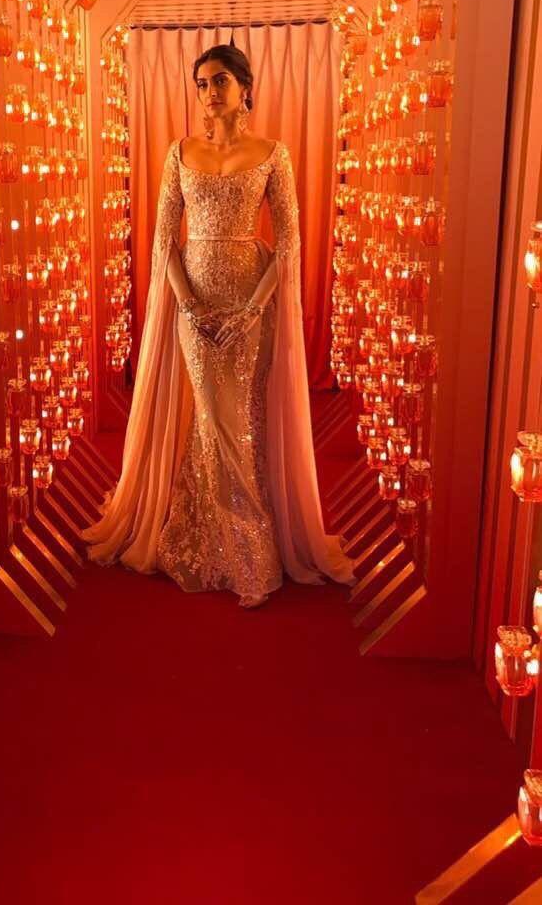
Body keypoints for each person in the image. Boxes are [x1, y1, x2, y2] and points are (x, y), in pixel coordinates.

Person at [80, 44, 356, 608]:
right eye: (202, 83)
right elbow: (163, 240)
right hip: (194, 301)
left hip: (251, 301)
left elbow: (290, 242)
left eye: (221, 81)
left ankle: (247, 547)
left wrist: (255, 308)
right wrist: (186, 305)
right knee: (211, 414)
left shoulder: (272, 154)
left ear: (246, 88)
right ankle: (222, 545)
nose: (210, 93)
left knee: (243, 417)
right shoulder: (179, 154)